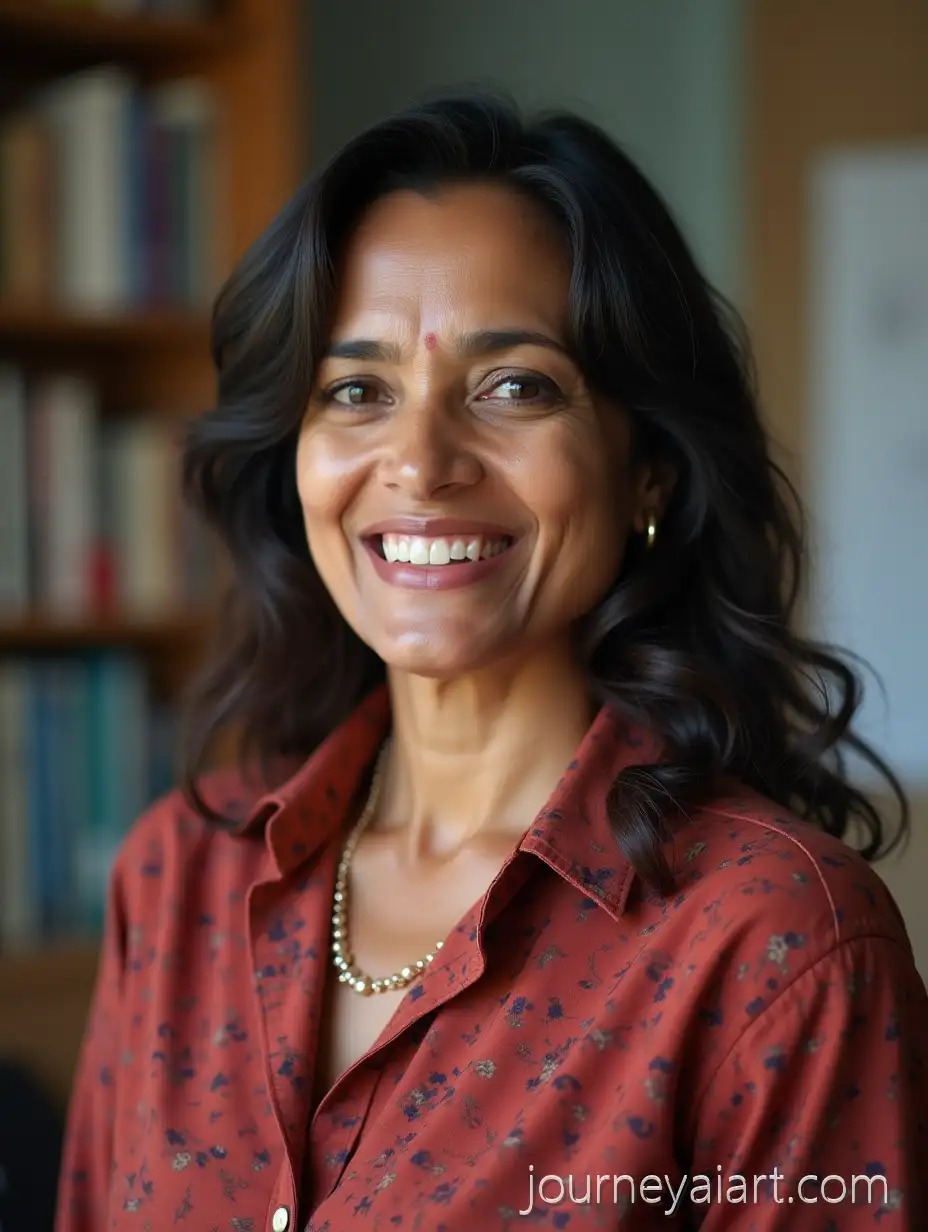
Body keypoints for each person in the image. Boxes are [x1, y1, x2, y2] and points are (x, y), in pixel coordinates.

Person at [56, 93, 928, 1232]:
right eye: (356, 391)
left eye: (515, 385)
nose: (420, 462)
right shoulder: (179, 879)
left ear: (650, 468)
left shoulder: (775, 943)